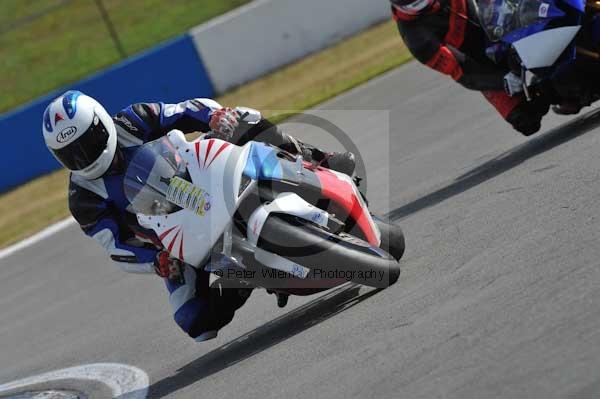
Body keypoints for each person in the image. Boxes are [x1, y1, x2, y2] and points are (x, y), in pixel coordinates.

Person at [42, 90, 355, 342]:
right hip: (173, 237)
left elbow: (187, 109)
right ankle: (239, 280)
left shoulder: (133, 119)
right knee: (195, 322)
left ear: (101, 122)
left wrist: (215, 115)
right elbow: (118, 247)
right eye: (72, 154)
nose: (84, 157)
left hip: (200, 173)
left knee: (245, 118)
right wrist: (155, 260)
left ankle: (315, 158)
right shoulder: (82, 197)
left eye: (88, 143)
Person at [390, 0, 552, 136]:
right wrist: (501, 81)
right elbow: (460, 72)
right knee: (527, 123)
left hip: (507, 21)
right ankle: (548, 89)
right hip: (484, 64)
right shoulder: (416, 39)